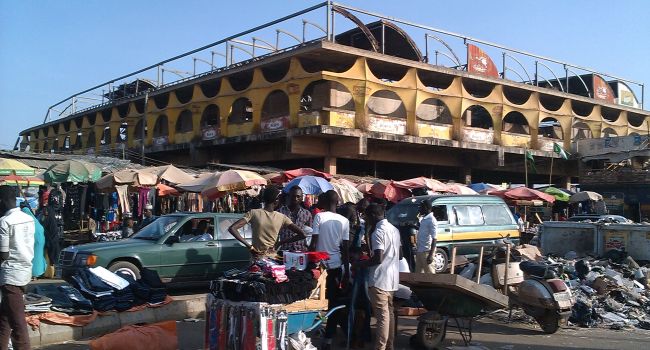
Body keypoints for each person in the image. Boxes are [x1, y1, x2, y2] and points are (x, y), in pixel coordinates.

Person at [353, 203, 401, 350]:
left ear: (373, 216)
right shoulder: (394, 230)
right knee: (389, 314)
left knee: (382, 317)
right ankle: (389, 346)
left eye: (367, 217)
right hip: (392, 279)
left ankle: (380, 347)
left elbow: (378, 258)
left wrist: (359, 264)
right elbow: (399, 254)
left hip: (380, 279)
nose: (366, 220)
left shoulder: (378, 232)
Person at [309, 190, 350, 349]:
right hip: (336, 267)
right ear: (337, 202)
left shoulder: (319, 217)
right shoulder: (344, 221)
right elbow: (345, 249)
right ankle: (328, 339)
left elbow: (313, 244)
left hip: (320, 268)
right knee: (334, 304)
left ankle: (317, 331)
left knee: (314, 301)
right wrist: (345, 272)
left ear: (325, 202)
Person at [0, 185, 36, 350]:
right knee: (5, 317)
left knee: (17, 320)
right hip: (25, 271)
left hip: (11, 274)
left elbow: (4, 254)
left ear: (3, 201)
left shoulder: (4, 222)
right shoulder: (29, 218)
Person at [228, 186, 306, 260]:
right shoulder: (282, 217)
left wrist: (249, 246)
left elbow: (232, 228)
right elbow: (302, 235)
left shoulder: (253, 213)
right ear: (276, 200)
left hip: (257, 258)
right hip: (272, 259)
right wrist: (280, 243)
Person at [277, 186, 312, 251]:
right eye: (293, 196)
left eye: (298, 196)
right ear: (289, 197)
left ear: (302, 198)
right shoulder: (280, 212)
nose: (295, 198)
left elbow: (309, 232)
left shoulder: (307, 214)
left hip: (301, 249)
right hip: (284, 250)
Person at [20, 204, 46, 278]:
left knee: (32, 257)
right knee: (39, 256)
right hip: (40, 242)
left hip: (33, 242)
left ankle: (33, 273)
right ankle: (38, 272)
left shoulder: (26, 222)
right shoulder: (35, 221)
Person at [415, 200, 438, 274]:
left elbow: (434, 238)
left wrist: (431, 255)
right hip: (420, 251)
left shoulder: (431, 220)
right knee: (418, 275)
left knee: (430, 276)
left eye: (421, 207)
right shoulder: (424, 219)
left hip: (427, 252)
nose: (419, 209)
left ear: (426, 208)